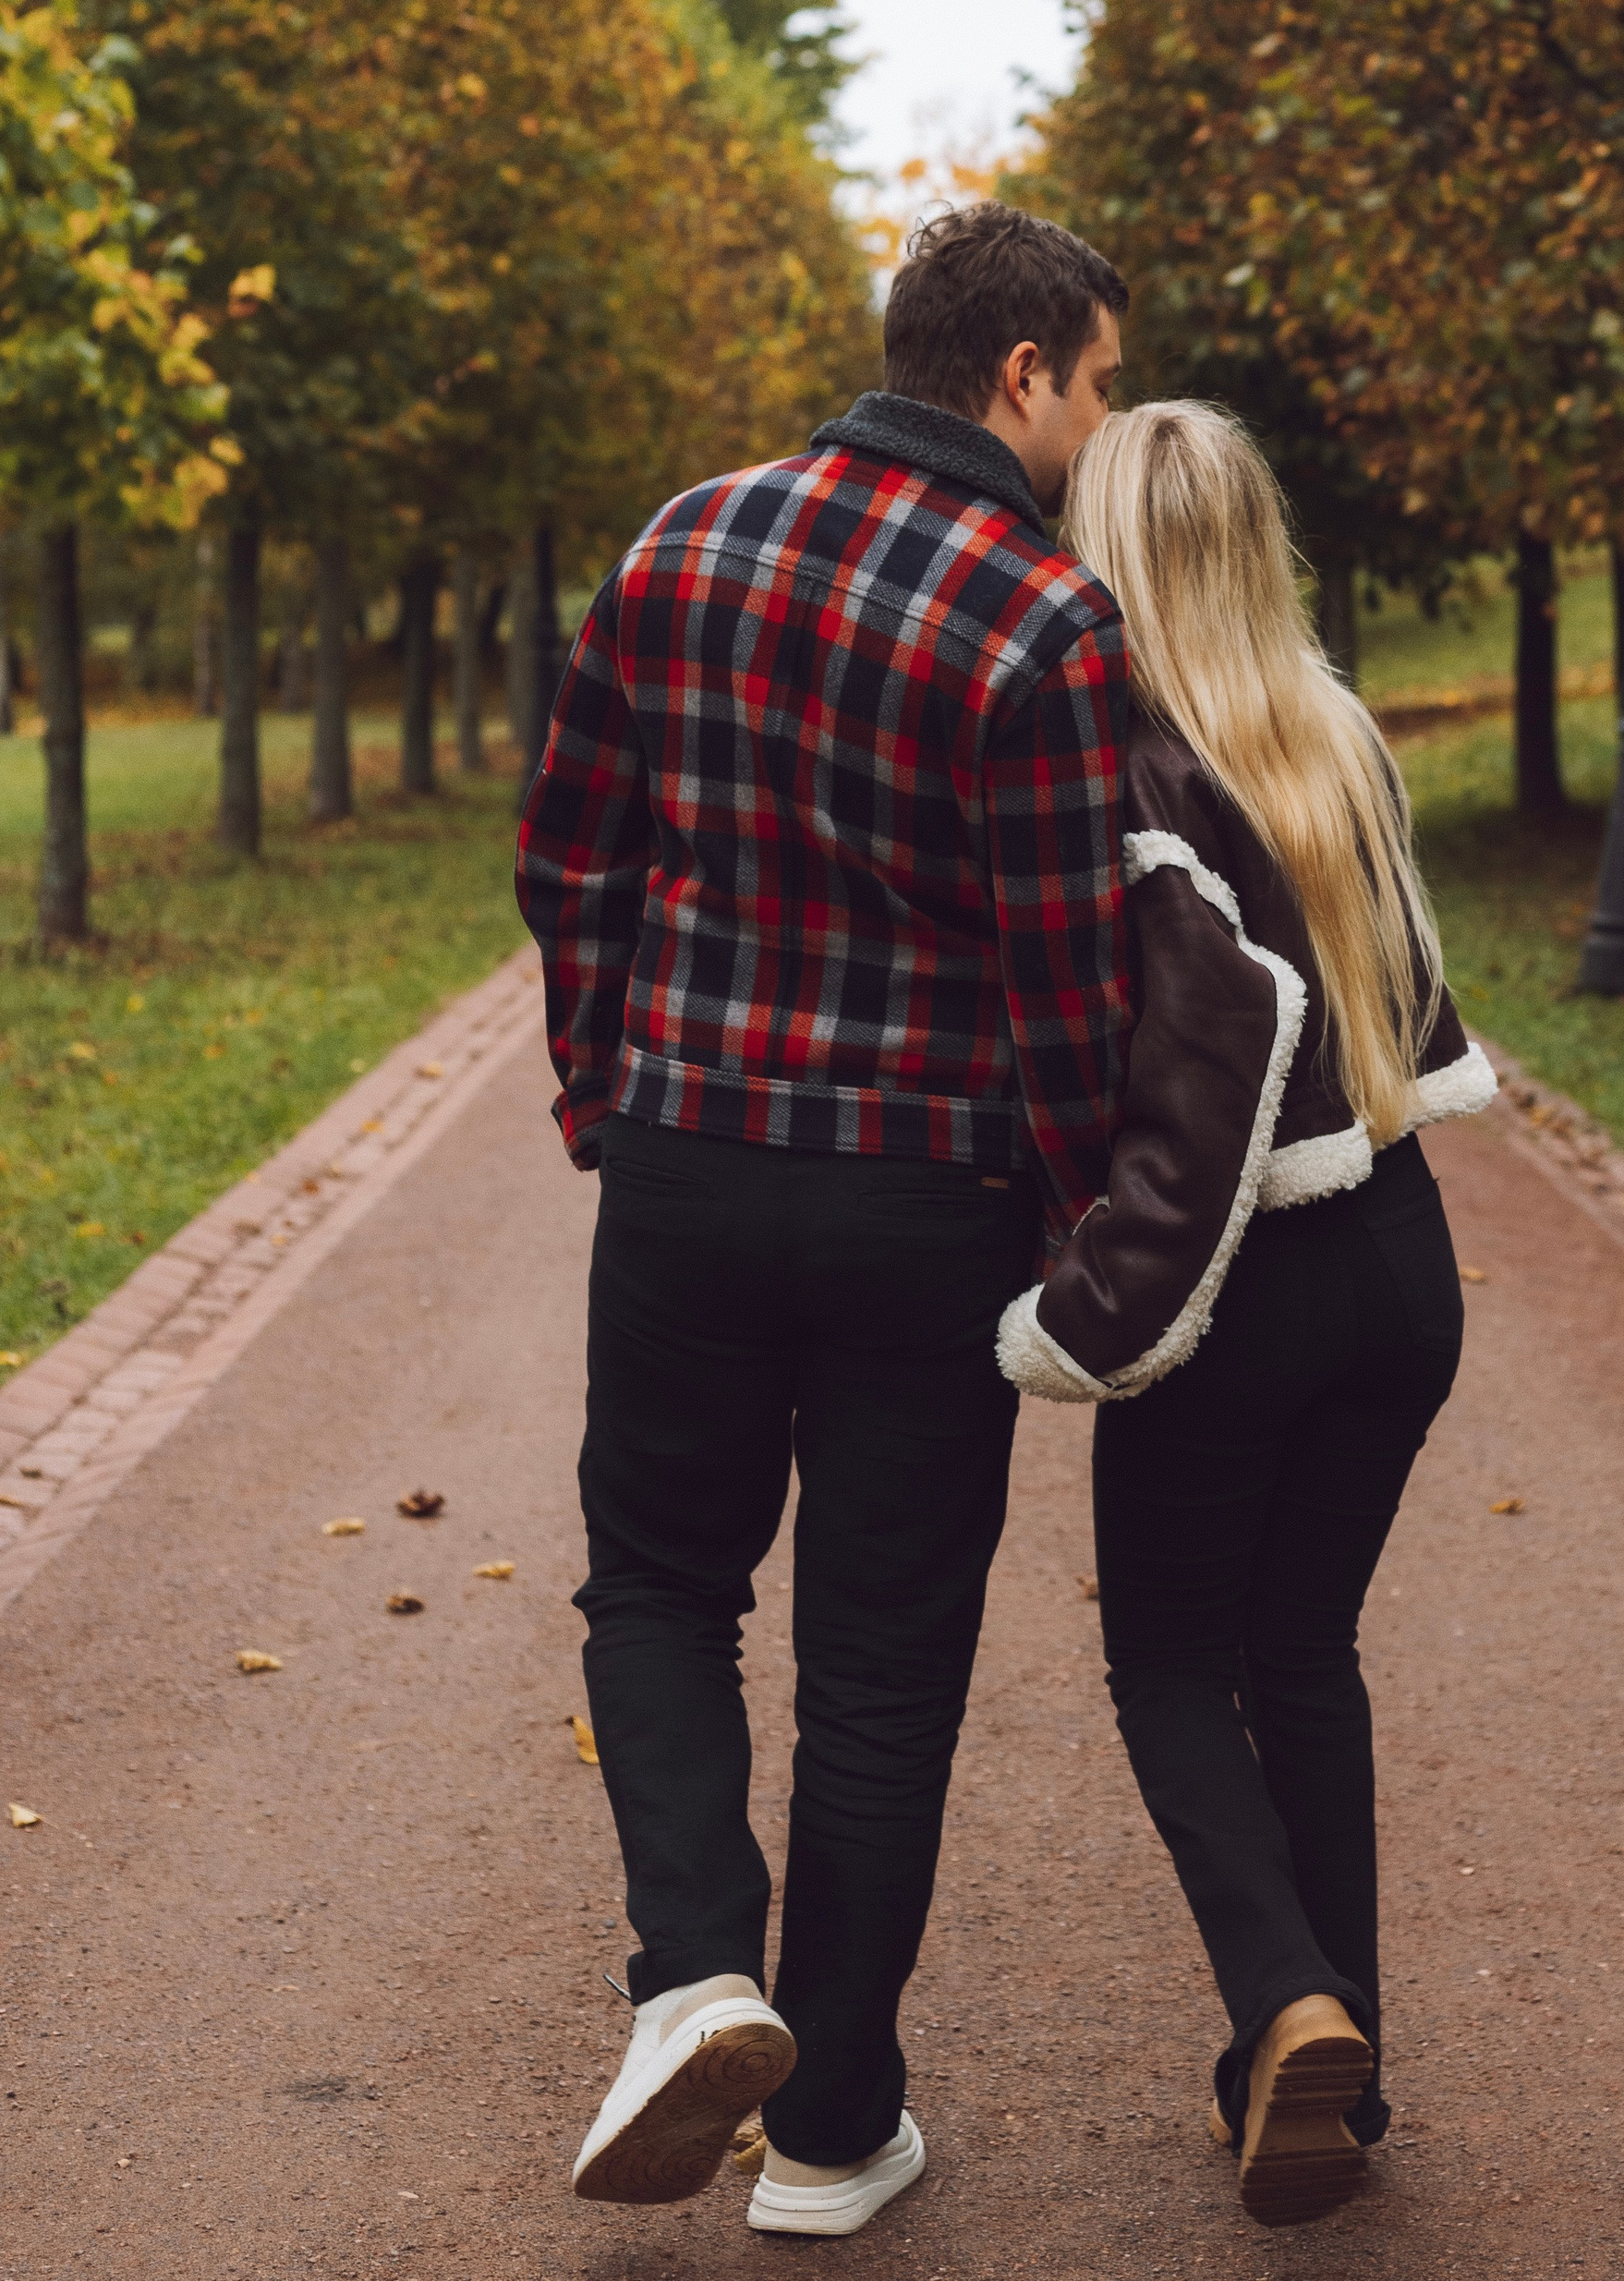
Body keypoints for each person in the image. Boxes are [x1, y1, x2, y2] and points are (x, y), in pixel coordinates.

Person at [515, 203, 1129, 2236]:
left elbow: (569, 855)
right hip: (925, 1197)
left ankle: (693, 1972)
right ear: (1019, 371)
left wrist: (609, 1085)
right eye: (1098, 379)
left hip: (687, 1160)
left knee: (658, 1585)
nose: (1098, 421)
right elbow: (1070, 997)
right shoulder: (1041, 619)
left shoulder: (678, 543)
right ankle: (834, 2126)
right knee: (881, 1666)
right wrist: (1069, 1229)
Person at [996, 401, 1496, 2229]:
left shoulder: (1128, 772)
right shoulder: (1334, 735)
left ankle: (1286, 2001)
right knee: (1302, 1656)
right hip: (1402, 1265)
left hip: (1242, 1279)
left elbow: (1206, 1075)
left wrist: (1083, 1310)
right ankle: (1325, 2070)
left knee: (1162, 1662)